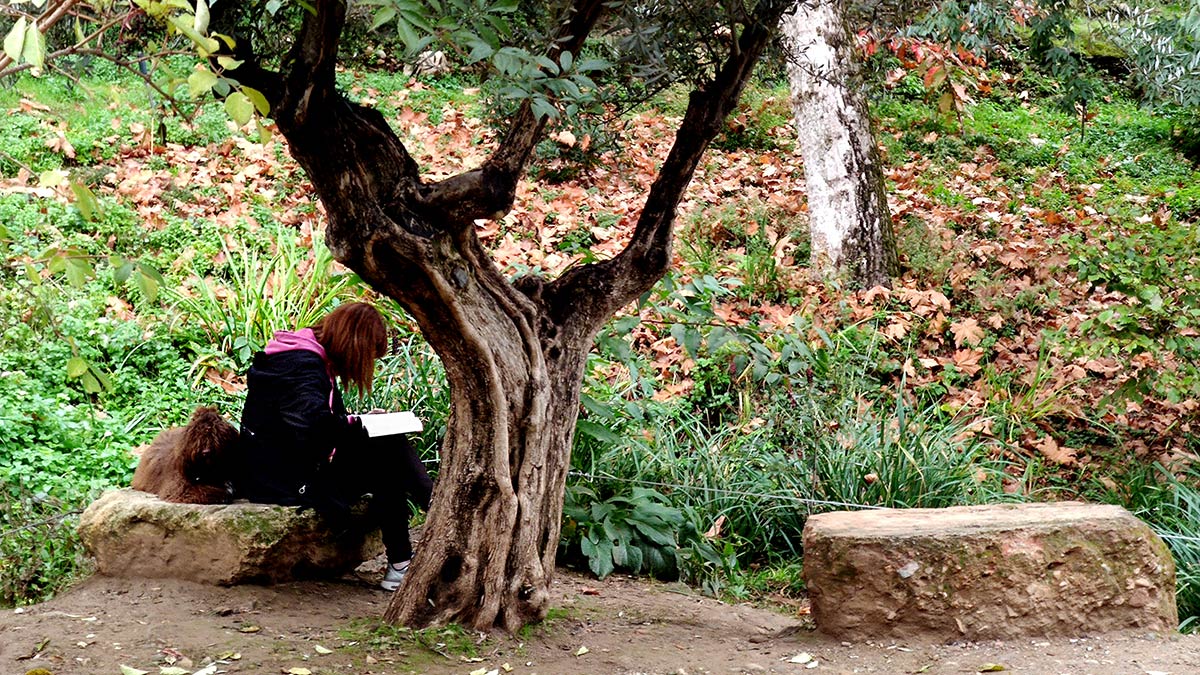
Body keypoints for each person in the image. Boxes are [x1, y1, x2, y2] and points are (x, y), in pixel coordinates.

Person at [234, 302, 433, 591]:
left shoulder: (301, 354)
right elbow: (314, 427)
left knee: (387, 448)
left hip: (284, 470)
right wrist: (360, 425)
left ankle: (405, 558)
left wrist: (360, 422)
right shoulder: (302, 366)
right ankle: (429, 516)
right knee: (388, 447)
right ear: (354, 346)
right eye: (369, 357)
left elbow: (311, 422)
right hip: (283, 481)